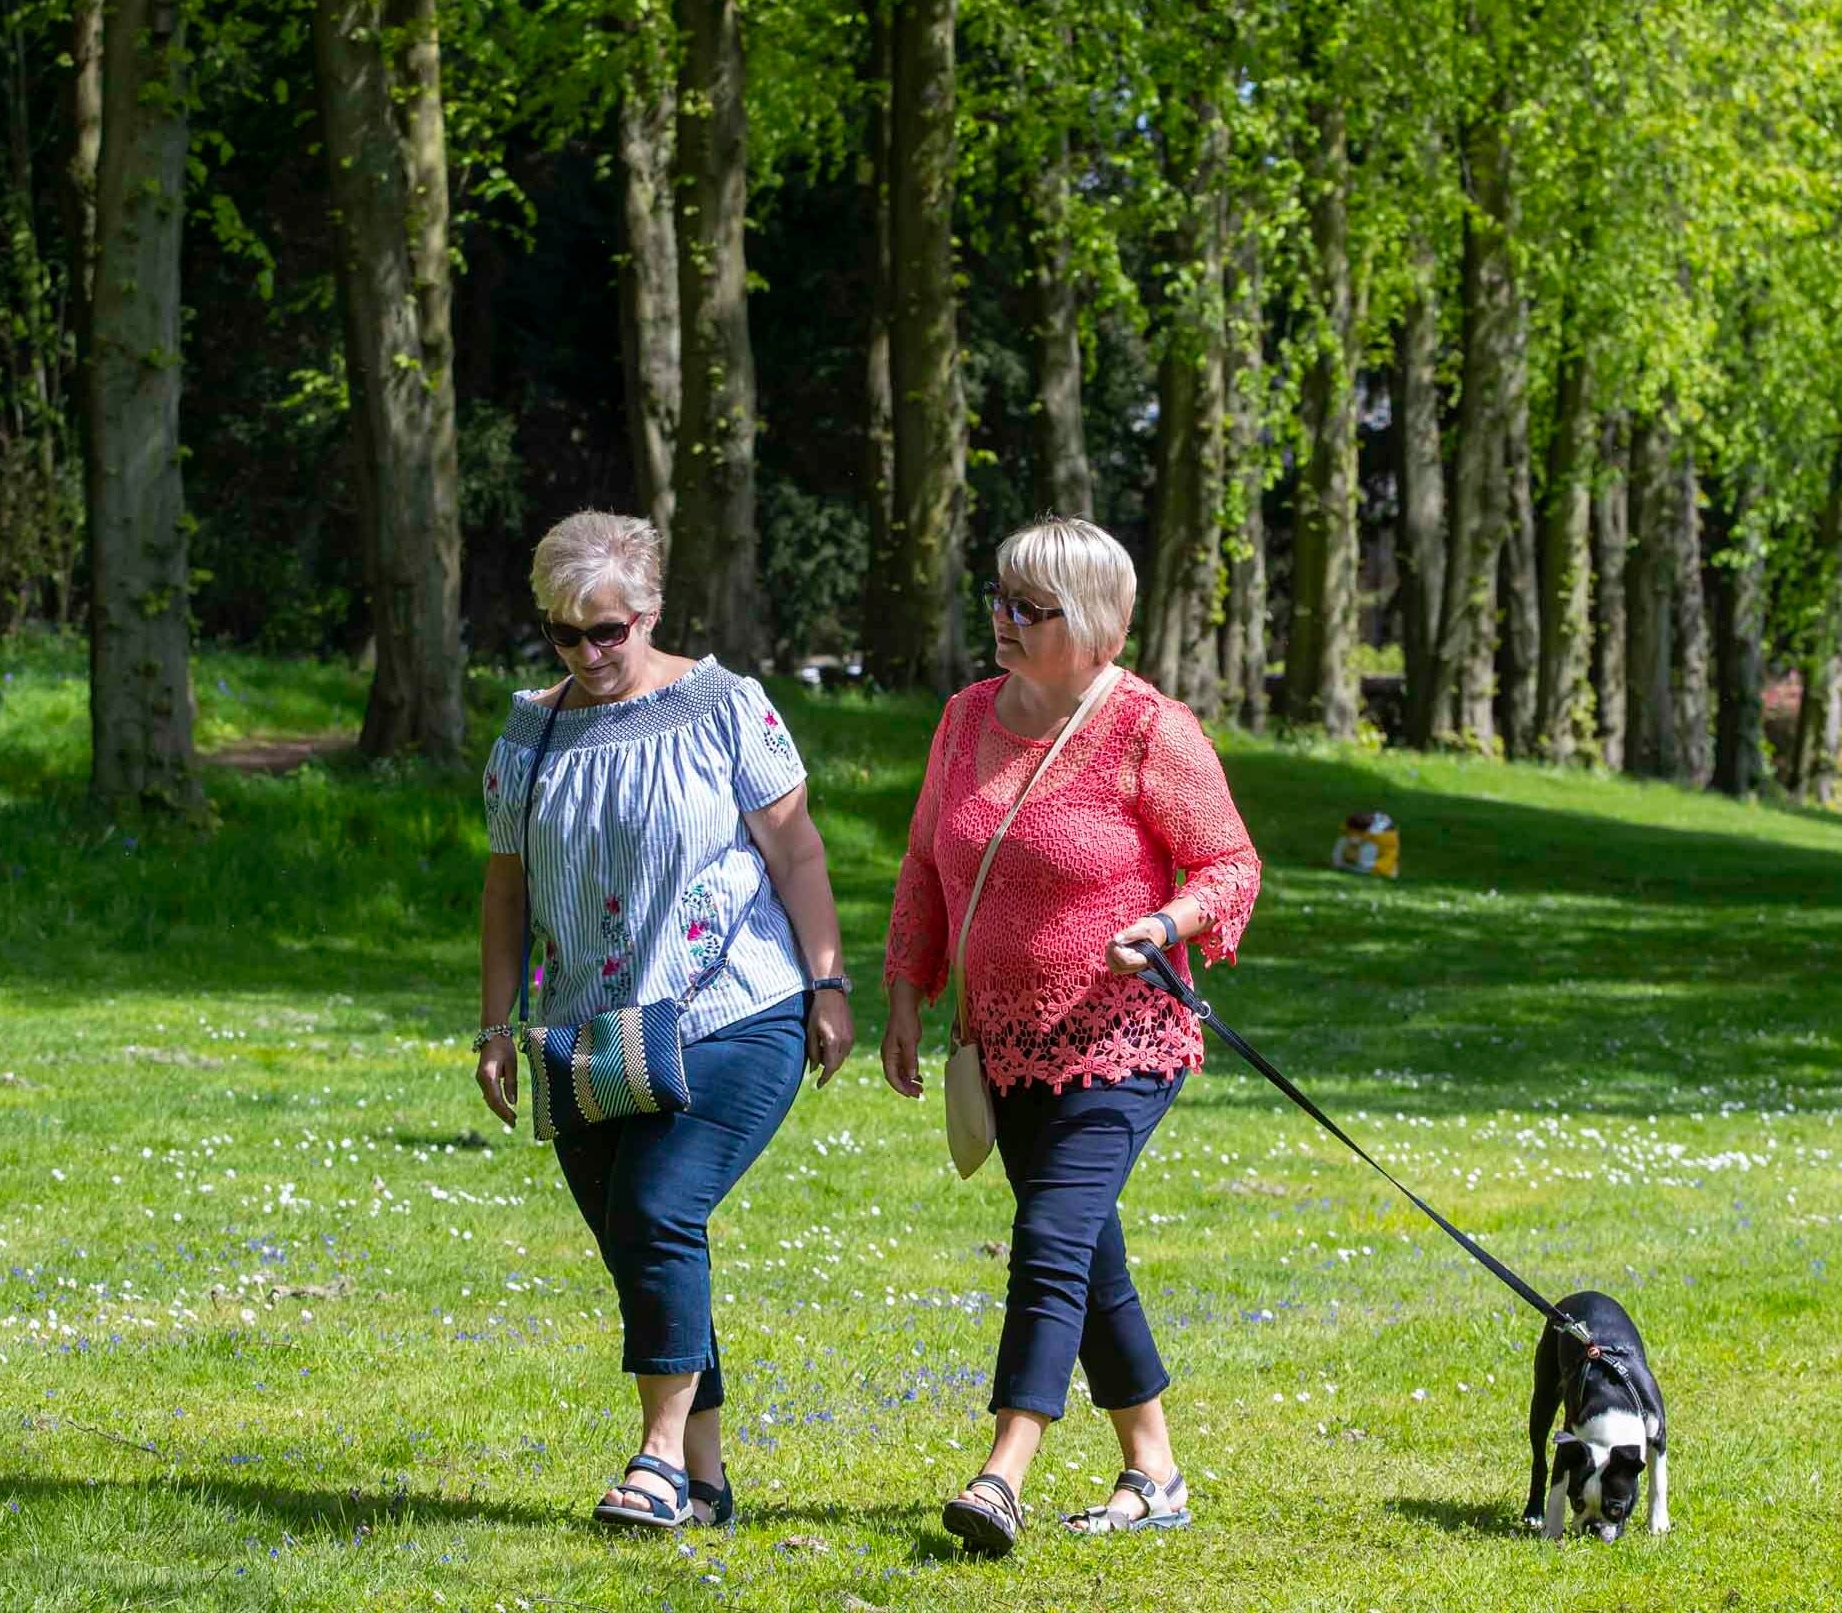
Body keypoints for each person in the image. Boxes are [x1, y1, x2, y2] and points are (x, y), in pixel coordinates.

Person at [881, 515, 1263, 1558]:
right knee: (1085, 1252)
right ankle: (1155, 1466)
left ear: (1093, 623)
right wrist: (907, 988)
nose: (1000, 619)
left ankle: (1002, 1473)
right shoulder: (965, 720)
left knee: (1050, 1237)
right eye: (997, 597)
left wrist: (1168, 922)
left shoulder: (1150, 729)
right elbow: (925, 861)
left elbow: (1230, 866)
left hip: (1122, 1039)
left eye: (1028, 607)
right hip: (999, 1044)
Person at [473, 511, 856, 1530]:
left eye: (610, 631)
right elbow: (504, 889)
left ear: (647, 612)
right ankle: (707, 1481)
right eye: (567, 634)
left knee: (656, 1212)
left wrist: (828, 983)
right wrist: (494, 1024)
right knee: (642, 1246)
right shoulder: (529, 731)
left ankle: (653, 1460)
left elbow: (800, 855)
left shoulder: (727, 708)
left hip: (738, 1010)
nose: (591, 654)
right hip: (591, 1036)